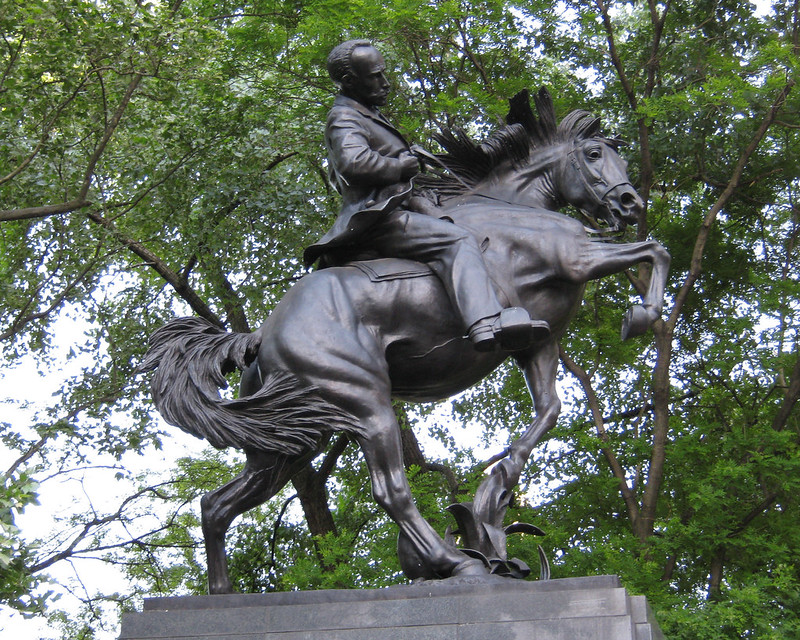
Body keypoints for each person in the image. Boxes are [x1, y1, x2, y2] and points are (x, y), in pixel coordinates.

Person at [303, 40, 549, 352]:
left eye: (384, 73)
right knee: (458, 240)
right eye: (375, 76)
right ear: (350, 81)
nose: (385, 82)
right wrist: (400, 166)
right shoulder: (344, 116)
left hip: (400, 207)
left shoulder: (365, 113)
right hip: (379, 218)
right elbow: (353, 163)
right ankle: (485, 323)